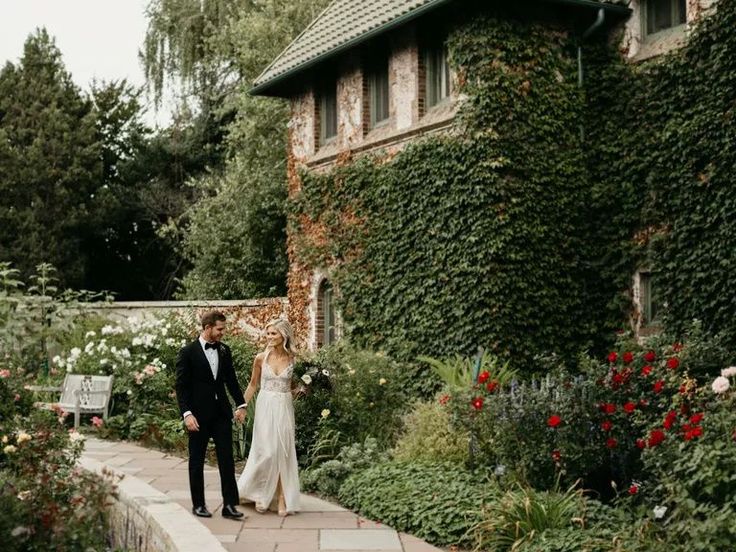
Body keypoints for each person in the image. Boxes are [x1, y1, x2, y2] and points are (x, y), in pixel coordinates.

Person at [175, 310, 247, 519]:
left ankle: (229, 506)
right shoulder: (187, 352)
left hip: (221, 414)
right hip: (197, 415)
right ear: (207, 328)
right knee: (197, 460)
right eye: (220, 329)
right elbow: (181, 387)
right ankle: (199, 505)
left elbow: (231, 380)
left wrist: (241, 404)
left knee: (227, 459)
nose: (223, 332)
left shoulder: (225, 350)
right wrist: (187, 414)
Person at [237, 318, 302, 516]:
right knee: (266, 452)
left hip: (284, 406)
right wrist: (242, 406)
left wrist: (303, 388)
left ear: (284, 334)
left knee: (282, 451)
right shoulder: (260, 358)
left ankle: (281, 498)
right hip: (265, 406)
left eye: (274, 333)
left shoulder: (293, 359)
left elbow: (293, 386)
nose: (270, 337)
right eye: (268, 333)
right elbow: (253, 384)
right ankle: (259, 493)